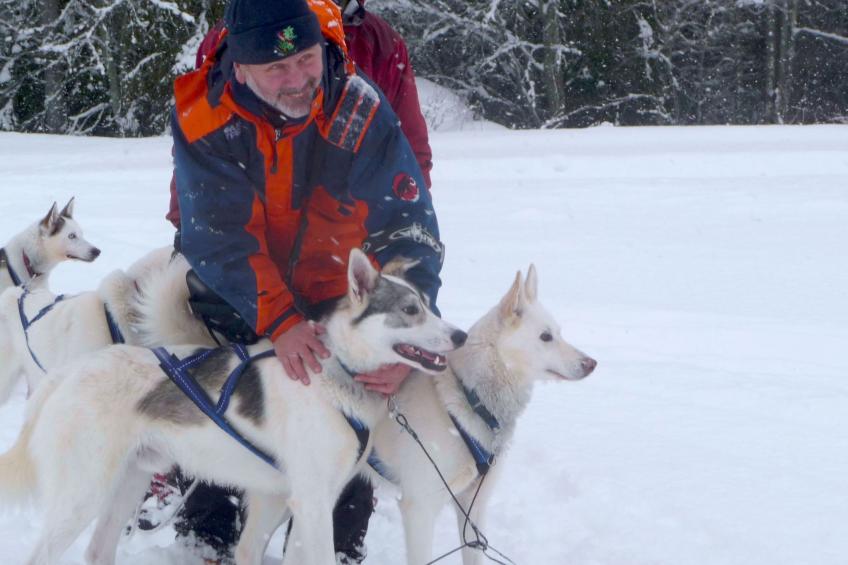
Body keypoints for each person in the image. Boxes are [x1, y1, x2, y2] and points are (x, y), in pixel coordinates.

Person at [167, 0, 443, 563]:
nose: (298, 80)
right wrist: (281, 319)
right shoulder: (205, 115)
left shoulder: (360, 107)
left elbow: (407, 225)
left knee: (352, 397)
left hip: (335, 278)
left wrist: (401, 332)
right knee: (221, 392)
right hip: (238, 280)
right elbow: (217, 233)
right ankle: (208, 531)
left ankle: (335, 544)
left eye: (307, 59)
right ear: (240, 69)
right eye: (277, 68)